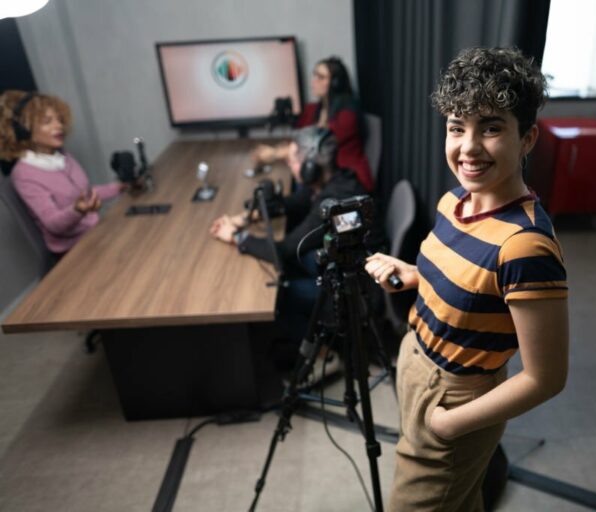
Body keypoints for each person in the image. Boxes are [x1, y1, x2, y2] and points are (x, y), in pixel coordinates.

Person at [365, 47, 569, 511]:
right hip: (416, 361)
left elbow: (546, 377)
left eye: (492, 127)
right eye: (457, 128)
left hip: (458, 396)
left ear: (528, 138)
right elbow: (473, 285)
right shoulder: (454, 201)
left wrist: (449, 425)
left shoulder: (526, 245)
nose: (469, 147)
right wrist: (415, 275)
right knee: (457, 499)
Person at [211, 127, 376, 381]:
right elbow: (298, 204)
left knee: (280, 296)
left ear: (310, 167)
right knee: (295, 265)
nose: (290, 166)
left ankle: (324, 357)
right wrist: (249, 216)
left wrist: (236, 237)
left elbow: (283, 250)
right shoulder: (337, 180)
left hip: (354, 288)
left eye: (293, 160)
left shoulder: (334, 201)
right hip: (344, 264)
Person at [0, 90, 123, 257]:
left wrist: (121, 187)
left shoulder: (62, 156)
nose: (59, 125)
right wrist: (78, 211)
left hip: (94, 233)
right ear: (25, 131)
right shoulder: (23, 174)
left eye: (59, 119)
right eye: (47, 121)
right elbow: (53, 223)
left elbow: (86, 194)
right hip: (72, 251)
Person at [251, 56, 374, 192]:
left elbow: (318, 145)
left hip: (345, 182)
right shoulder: (312, 110)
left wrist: (275, 154)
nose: (313, 81)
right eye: (314, 75)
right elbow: (297, 139)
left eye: (320, 77)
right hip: (318, 178)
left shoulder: (347, 115)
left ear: (335, 83)